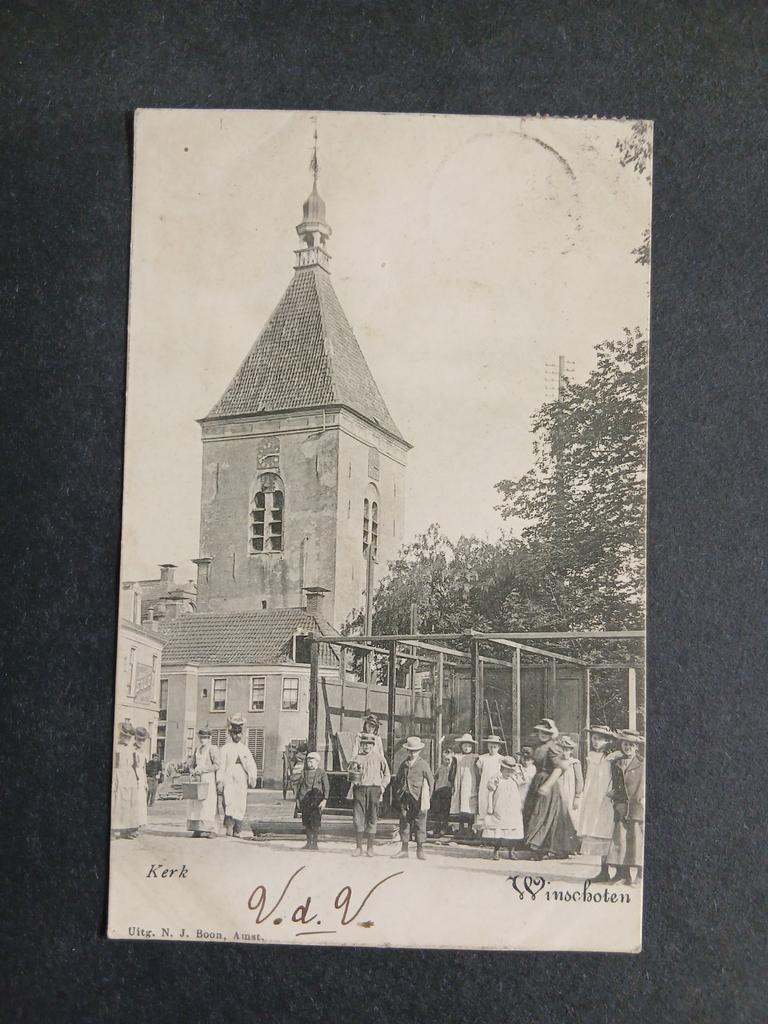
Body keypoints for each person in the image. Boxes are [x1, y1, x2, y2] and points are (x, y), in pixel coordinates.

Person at [518, 719, 577, 860]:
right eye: (541, 731)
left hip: (547, 783)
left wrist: (547, 785)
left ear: (552, 734)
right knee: (534, 811)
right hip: (537, 781)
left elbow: (559, 769)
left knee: (543, 814)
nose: (543, 734)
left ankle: (538, 848)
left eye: (547, 732)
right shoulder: (540, 746)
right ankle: (536, 846)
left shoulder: (553, 747)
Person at [578, 725, 623, 882]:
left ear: (608, 740)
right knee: (597, 832)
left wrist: (615, 792)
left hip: (606, 798)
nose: (595, 742)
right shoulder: (591, 756)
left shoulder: (612, 756)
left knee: (608, 833)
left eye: (600, 739)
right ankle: (603, 871)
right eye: (594, 738)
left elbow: (618, 777)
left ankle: (618, 871)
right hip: (593, 799)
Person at [606, 729, 645, 886]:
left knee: (637, 842)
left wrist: (641, 800)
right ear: (621, 745)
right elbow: (616, 785)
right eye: (625, 744)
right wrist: (616, 801)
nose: (628, 747)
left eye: (631, 745)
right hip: (622, 806)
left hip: (636, 806)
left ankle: (640, 875)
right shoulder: (617, 764)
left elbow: (642, 785)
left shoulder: (641, 763)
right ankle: (623, 874)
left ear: (636, 747)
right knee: (620, 842)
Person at [392, 737, 434, 861]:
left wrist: (427, 799)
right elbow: (398, 779)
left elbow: (431, 782)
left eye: (415, 751)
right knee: (404, 821)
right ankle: (404, 849)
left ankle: (420, 850)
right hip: (405, 797)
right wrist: (398, 793)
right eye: (410, 750)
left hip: (418, 798)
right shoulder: (404, 764)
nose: (412, 753)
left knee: (420, 822)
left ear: (419, 750)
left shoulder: (423, 764)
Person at [217, 713, 258, 837]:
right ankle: (229, 826)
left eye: (239, 733)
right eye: (234, 733)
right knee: (228, 801)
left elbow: (251, 764)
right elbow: (221, 766)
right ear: (230, 734)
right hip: (229, 778)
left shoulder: (245, 749)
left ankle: (237, 829)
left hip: (241, 779)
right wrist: (219, 780)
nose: (237, 736)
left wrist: (252, 776)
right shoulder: (225, 749)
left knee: (240, 803)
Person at [350, 733, 390, 857]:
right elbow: (351, 774)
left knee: (372, 818)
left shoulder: (379, 758)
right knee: (358, 818)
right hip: (360, 790)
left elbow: (387, 774)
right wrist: (353, 777)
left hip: (374, 790)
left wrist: (382, 786)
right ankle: (358, 848)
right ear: (361, 745)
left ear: (373, 745)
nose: (366, 746)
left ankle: (370, 848)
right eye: (364, 744)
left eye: (369, 744)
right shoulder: (357, 758)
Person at [484, 755, 527, 859]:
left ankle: (511, 851)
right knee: (499, 830)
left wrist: (520, 768)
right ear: (501, 769)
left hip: (513, 808)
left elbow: (525, 780)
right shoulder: (496, 778)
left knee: (513, 831)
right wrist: (490, 806)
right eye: (507, 770)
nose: (509, 773)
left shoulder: (514, 779)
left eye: (511, 771)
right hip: (500, 808)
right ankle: (496, 850)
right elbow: (490, 792)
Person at [186, 725, 221, 838]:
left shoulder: (213, 749)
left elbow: (217, 765)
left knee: (208, 804)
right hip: (197, 778)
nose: (203, 739)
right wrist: (192, 770)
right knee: (196, 804)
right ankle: (198, 828)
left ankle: (212, 830)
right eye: (201, 737)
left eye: (205, 737)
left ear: (209, 738)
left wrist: (204, 769)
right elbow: (192, 764)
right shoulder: (197, 749)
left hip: (208, 778)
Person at [295, 751, 330, 851]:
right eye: (308, 761)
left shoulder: (322, 773)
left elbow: (326, 787)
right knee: (307, 822)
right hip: (305, 801)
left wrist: (325, 800)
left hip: (316, 801)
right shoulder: (304, 773)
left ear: (317, 762)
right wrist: (297, 800)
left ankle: (314, 843)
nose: (310, 764)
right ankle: (308, 842)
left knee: (315, 822)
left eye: (312, 761)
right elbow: (298, 786)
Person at [111, 720, 139, 839]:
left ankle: (128, 829)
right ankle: (115, 828)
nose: (126, 738)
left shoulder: (132, 749)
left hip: (130, 776)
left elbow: (134, 765)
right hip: (119, 775)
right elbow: (115, 765)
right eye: (124, 736)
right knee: (118, 801)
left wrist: (136, 778)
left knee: (130, 802)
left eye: (129, 737)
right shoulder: (116, 748)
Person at [450, 733, 479, 837]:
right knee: (461, 804)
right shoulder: (457, 757)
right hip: (459, 782)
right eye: (465, 746)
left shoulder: (474, 757)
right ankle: (461, 828)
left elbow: (477, 770)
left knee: (470, 805)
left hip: (471, 782)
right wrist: (452, 783)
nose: (467, 748)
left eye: (469, 746)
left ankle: (470, 828)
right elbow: (452, 771)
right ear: (461, 746)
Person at [476, 735, 504, 834]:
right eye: (491, 746)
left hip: (497, 785)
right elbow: (479, 772)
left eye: (495, 747)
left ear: (499, 748)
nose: (492, 749)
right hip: (485, 784)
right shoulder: (483, 758)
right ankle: (483, 831)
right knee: (484, 805)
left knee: (495, 805)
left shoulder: (501, 759)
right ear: (488, 746)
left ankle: (494, 831)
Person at [557, 735, 584, 836]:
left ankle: (573, 844)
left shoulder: (574, 763)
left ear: (571, 750)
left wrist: (577, 796)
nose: (564, 752)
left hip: (571, 794)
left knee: (572, 817)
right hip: (560, 794)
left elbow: (579, 780)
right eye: (562, 750)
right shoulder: (557, 763)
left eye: (567, 750)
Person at [430, 749, 456, 837]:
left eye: (449, 759)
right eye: (445, 759)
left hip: (447, 790)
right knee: (438, 810)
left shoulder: (452, 769)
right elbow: (434, 776)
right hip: (439, 790)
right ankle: (437, 827)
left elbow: (454, 780)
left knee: (445, 810)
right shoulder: (440, 767)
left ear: (452, 759)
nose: (447, 761)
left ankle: (444, 828)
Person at [133, 727, 149, 833]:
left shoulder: (143, 751)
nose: (141, 742)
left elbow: (143, 767)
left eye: (143, 740)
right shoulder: (131, 749)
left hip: (141, 776)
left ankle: (138, 824)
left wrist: (145, 781)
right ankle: (132, 825)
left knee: (141, 800)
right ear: (135, 738)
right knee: (134, 801)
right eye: (139, 740)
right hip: (134, 776)